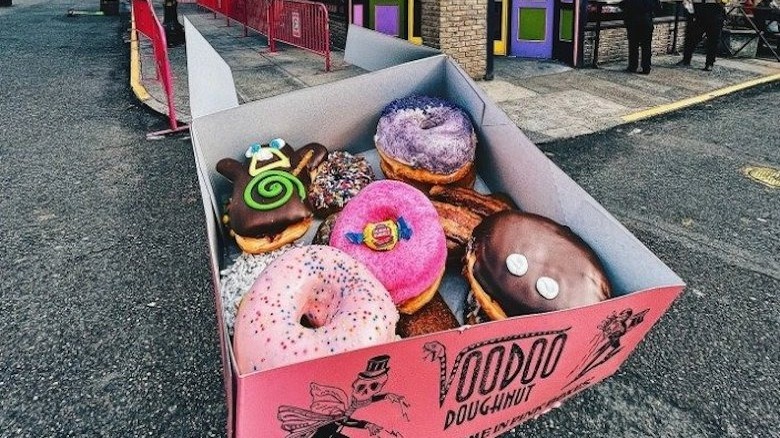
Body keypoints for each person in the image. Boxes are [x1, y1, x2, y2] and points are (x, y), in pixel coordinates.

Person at [677, 0, 727, 71]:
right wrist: (689, 8)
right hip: (699, 7)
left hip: (715, 8)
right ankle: (686, 60)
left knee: (713, 39)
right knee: (691, 36)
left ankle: (709, 63)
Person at [621, 0, 661, 74]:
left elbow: (624, 5)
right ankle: (646, 67)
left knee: (633, 45)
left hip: (633, 20)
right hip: (647, 20)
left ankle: (633, 66)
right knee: (646, 45)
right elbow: (658, 6)